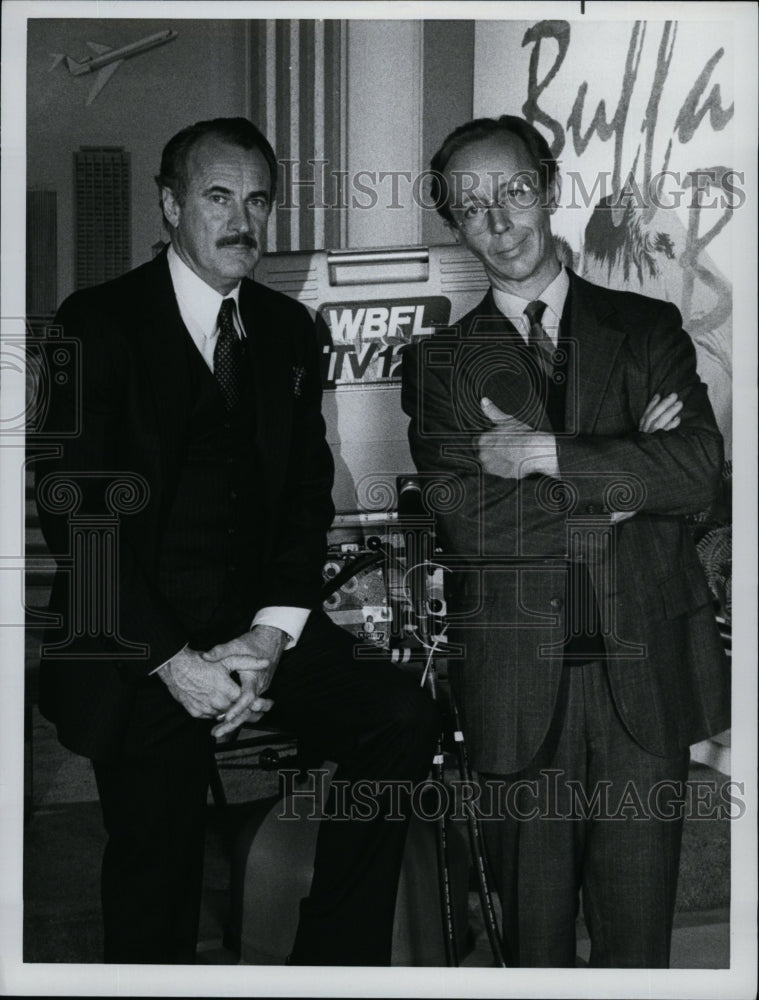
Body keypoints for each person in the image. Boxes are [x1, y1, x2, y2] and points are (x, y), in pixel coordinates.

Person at [35, 117, 439, 966]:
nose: (241, 219)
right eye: (218, 196)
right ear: (171, 203)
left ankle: (333, 965)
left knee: (399, 717)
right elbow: (77, 512)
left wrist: (268, 636)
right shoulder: (94, 323)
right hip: (135, 640)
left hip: (254, 621)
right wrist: (176, 663)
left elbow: (301, 501)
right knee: (158, 856)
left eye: (257, 199)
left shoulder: (290, 331)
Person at [401, 115, 730, 968]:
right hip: (519, 688)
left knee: (636, 949)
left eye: (512, 192)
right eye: (472, 208)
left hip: (642, 679)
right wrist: (629, 479)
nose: (499, 221)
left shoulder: (647, 327)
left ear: (546, 190)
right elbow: (474, 524)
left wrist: (542, 455)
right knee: (535, 949)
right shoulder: (438, 367)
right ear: (456, 223)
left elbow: (696, 471)